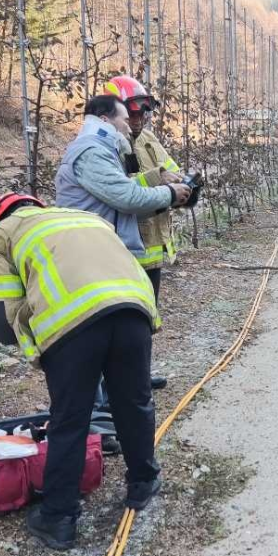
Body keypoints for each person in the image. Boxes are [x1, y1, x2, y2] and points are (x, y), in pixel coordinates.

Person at [0, 193, 165, 550]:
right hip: (133, 309)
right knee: (133, 400)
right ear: (38, 206)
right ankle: (143, 481)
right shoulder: (85, 218)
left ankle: (58, 518)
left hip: (72, 324)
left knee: (70, 418)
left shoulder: (1, 235)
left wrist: (26, 338)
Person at [55, 93, 191, 391]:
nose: (131, 125)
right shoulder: (92, 152)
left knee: (130, 324)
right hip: (95, 255)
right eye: (126, 119)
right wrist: (168, 193)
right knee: (102, 328)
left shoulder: (108, 148)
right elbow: (126, 196)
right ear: (105, 119)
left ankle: (127, 385)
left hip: (112, 251)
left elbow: (123, 194)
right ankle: (105, 399)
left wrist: (166, 185)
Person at [103, 76, 185, 388]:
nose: (138, 120)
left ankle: (140, 375)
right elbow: (123, 192)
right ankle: (117, 382)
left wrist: (182, 187)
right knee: (121, 319)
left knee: (147, 315)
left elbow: (172, 172)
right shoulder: (106, 145)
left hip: (151, 246)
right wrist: (157, 181)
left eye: (143, 113)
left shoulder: (149, 140)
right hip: (123, 248)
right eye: (132, 113)